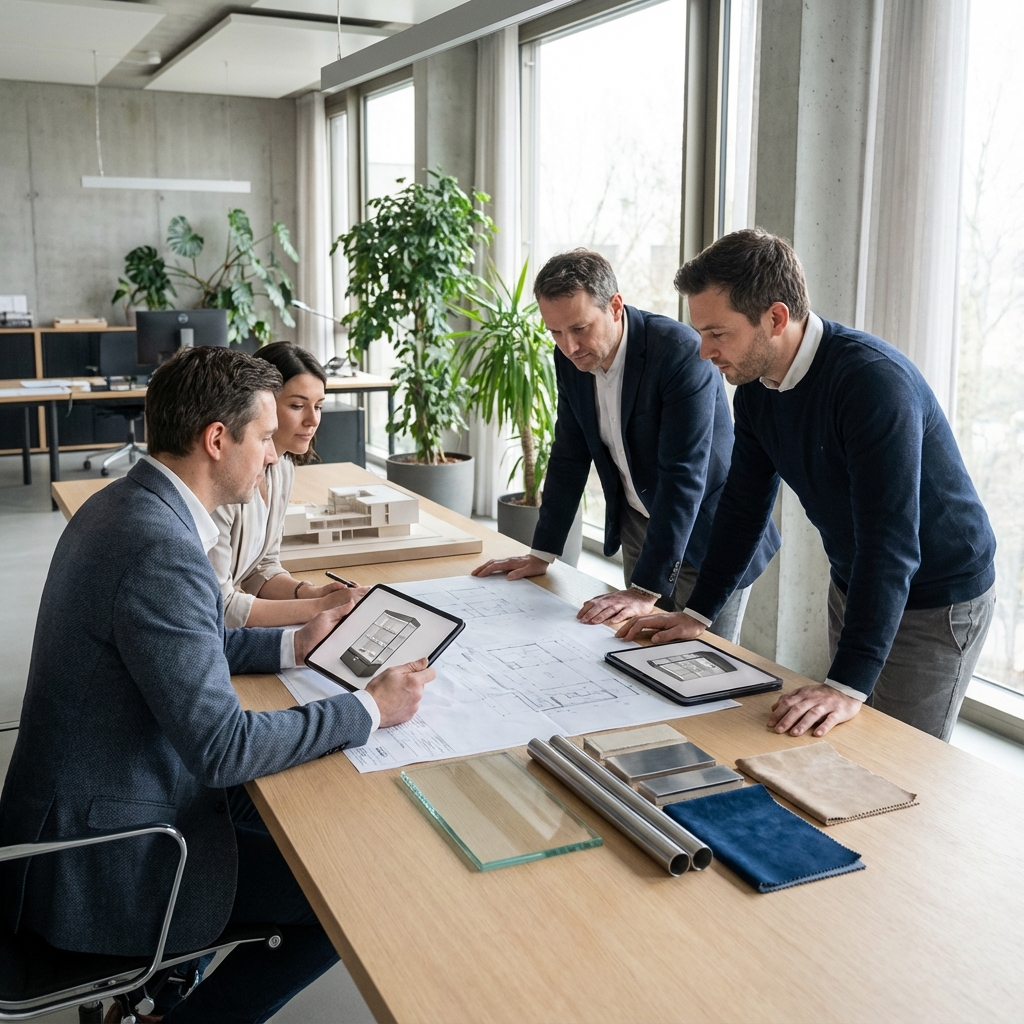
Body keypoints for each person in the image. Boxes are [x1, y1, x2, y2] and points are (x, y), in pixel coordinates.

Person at [0, 346, 434, 1022]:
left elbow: (183, 646)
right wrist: (368, 708)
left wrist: (295, 644)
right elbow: (223, 748)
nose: (273, 454)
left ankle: (167, 993)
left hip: (91, 801)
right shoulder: (161, 548)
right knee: (339, 897)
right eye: (264, 437)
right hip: (107, 857)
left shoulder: (127, 506)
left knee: (301, 817)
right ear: (216, 440)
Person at [619, 228, 996, 742]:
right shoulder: (756, 390)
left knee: (899, 759)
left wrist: (845, 684)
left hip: (937, 597)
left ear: (776, 318)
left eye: (718, 333)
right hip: (856, 580)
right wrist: (698, 613)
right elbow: (743, 507)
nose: (704, 352)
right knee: (840, 743)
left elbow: (890, 544)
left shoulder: (871, 383)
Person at [473, 248, 780, 641]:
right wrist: (542, 553)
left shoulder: (680, 352)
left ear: (615, 306)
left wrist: (645, 590)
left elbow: (683, 475)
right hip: (640, 526)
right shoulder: (571, 358)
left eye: (580, 328)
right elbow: (569, 453)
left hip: (708, 533)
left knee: (700, 659)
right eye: (555, 332)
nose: (569, 346)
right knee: (638, 648)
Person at [210, 342, 356, 627]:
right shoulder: (225, 480)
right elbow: (219, 606)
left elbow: (260, 568)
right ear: (261, 403)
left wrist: (311, 593)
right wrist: (318, 608)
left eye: (318, 406)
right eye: (297, 406)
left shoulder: (283, 467)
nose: (313, 420)